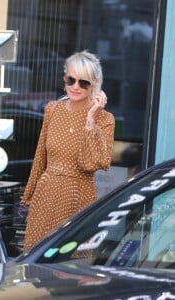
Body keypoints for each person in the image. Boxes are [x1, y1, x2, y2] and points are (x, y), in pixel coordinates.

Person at [21, 50, 115, 251]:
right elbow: (40, 157)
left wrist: (91, 119)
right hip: (45, 196)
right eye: (70, 80)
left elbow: (94, 163)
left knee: (69, 267)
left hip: (78, 198)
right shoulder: (53, 110)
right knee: (35, 262)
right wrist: (30, 195)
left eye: (84, 83)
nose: (75, 87)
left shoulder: (105, 119)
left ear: (94, 84)